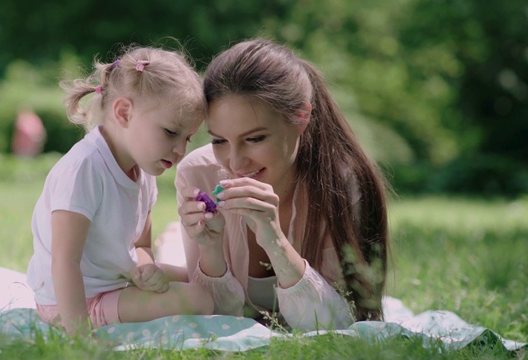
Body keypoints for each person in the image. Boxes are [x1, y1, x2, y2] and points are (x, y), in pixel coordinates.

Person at [175, 38, 389, 331]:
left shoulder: (340, 184)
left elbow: (341, 324)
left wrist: (275, 241)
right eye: (219, 140)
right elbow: (211, 322)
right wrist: (210, 250)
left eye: (254, 139)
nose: (235, 163)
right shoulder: (198, 174)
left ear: (301, 117)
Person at [26, 46, 214, 336]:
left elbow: (140, 245)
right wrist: (81, 337)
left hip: (116, 281)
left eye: (187, 138)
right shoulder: (85, 169)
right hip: (74, 302)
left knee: (200, 276)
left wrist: (146, 268)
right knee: (199, 298)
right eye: (170, 132)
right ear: (124, 112)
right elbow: (64, 261)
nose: (180, 150)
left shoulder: (143, 167)